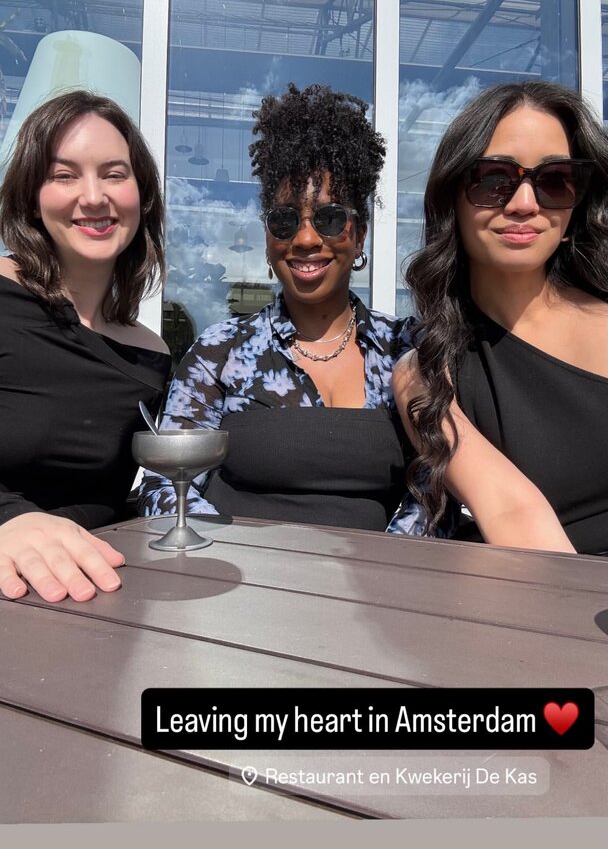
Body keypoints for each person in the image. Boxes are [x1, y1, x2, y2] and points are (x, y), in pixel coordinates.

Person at [138, 82, 435, 534]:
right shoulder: (221, 351)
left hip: (377, 574)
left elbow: (437, 486)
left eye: (330, 217)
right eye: (285, 220)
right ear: (267, 237)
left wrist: (388, 561)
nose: (306, 238)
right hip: (237, 569)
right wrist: (232, 556)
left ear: (360, 234)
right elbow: (165, 484)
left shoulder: (406, 349)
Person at [393, 80, 608, 555]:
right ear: (452, 198)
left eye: (555, 180)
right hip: (549, 592)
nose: (524, 204)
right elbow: (513, 512)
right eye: (494, 179)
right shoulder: (426, 376)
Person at [0, 89, 171, 603]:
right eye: (64, 175)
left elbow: (109, 500)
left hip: (94, 602)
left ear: (142, 195)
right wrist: (10, 520)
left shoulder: (151, 356)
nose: (94, 197)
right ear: (32, 196)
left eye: (114, 174)